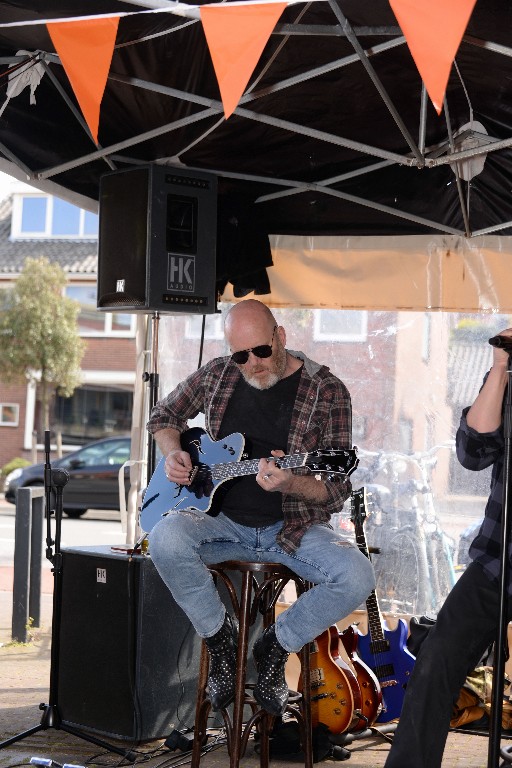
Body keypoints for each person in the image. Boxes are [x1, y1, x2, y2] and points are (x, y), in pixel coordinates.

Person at [146, 299, 375, 716]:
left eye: (261, 351)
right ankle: (221, 639)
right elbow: (164, 414)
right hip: (220, 525)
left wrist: (292, 481)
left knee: (358, 575)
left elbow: (337, 489)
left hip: (291, 530)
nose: (252, 363)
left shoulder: (327, 390)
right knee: (163, 539)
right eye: (241, 355)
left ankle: (276, 644)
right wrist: (172, 451)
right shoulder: (218, 374)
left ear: (281, 337)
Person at [384, 327, 512, 768]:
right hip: (501, 558)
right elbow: (473, 453)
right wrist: (499, 369)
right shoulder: (509, 375)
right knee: (437, 656)